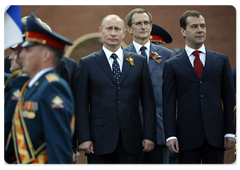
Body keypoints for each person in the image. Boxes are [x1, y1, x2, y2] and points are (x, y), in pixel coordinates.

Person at [74, 14, 156, 165]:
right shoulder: (87, 63)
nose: (113, 33)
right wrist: (84, 137)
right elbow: (81, 105)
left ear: (124, 32)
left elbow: (148, 102)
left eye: (117, 29)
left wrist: (149, 135)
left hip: (132, 139)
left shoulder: (139, 62)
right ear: (101, 31)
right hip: (99, 141)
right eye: (109, 28)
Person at [163, 10, 236, 164]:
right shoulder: (172, 65)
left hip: (216, 135)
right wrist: (170, 135)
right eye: (194, 26)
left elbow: (229, 99)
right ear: (183, 31)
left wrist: (231, 131)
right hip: (185, 136)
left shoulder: (221, 60)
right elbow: (168, 103)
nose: (200, 30)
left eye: (203, 26)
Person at [4, 13, 74, 165]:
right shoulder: (34, 84)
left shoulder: (53, 87)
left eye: (27, 51)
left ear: (45, 55)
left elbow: (58, 148)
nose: (20, 56)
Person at [124, 8, 173, 165]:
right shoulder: (121, 55)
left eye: (146, 23)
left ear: (151, 26)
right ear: (129, 29)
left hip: (160, 130)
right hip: (131, 130)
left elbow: (172, 94)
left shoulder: (165, 55)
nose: (143, 26)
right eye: (138, 23)